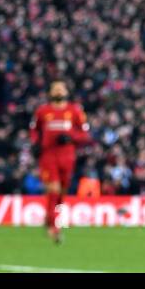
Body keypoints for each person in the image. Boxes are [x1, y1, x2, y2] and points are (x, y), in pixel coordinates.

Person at [29, 80, 90, 244]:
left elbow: (85, 135)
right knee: (53, 189)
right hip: (48, 156)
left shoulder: (74, 111)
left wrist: (71, 137)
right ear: (50, 93)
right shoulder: (43, 111)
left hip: (67, 157)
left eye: (60, 88)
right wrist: (35, 143)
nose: (58, 91)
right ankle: (54, 227)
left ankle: (50, 218)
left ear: (66, 91)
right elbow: (34, 130)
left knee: (61, 193)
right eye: (55, 88)